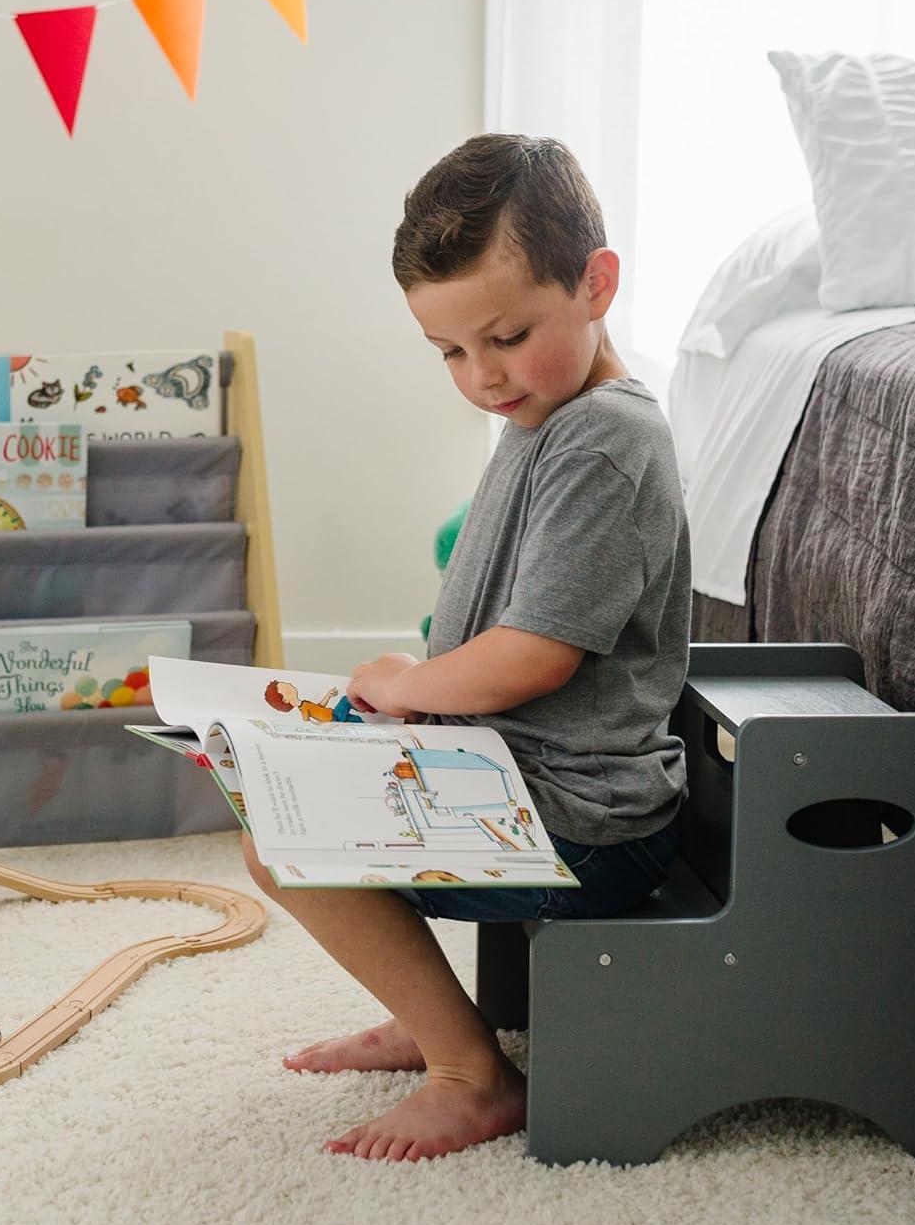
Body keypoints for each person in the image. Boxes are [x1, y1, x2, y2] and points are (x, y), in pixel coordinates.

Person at [238, 134, 692, 1162]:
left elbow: (537, 654)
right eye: (450, 352)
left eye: (508, 335)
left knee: (285, 838)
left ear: (596, 283)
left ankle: (471, 1073)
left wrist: (408, 686)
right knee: (281, 771)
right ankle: (433, 1013)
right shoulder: (544, 411)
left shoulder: (608, 440)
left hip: (584, 821)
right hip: (517, 777)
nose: (482, 376)